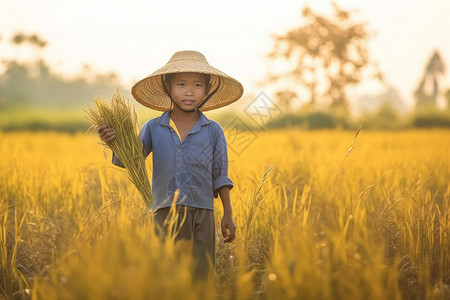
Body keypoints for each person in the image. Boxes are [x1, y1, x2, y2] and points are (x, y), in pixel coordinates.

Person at [97, 50, 244, 278]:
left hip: (202, 213)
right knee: (166, 276)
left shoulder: (214, 130)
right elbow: (131, 162)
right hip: (164, 212)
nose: (189, 91)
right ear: (168, 88)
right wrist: (114, 142)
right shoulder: (153, 127)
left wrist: (228, 214)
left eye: (197, 85)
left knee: (202, 275)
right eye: (181, 84)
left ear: (207, 90)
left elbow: (220, 175)